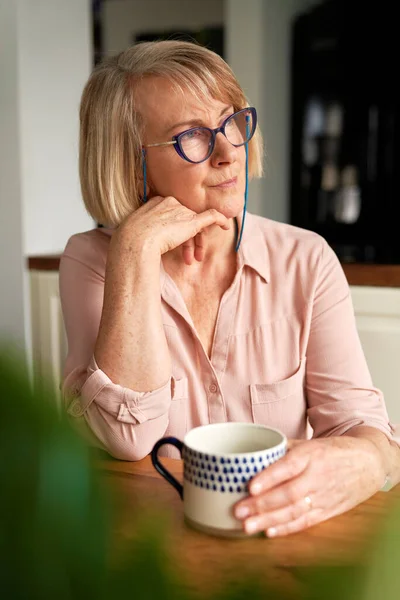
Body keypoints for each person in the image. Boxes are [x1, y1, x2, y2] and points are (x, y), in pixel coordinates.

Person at [59, 40, 400, 538]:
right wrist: (133, 249)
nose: (227, 152)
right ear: (132, 165)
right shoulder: (92, 261)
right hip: (147, 548)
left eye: (230, 122)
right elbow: (128, 437)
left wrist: (372, 460)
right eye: (192, 136)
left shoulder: (305, 259)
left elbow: (360, 428)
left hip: (282, 540)